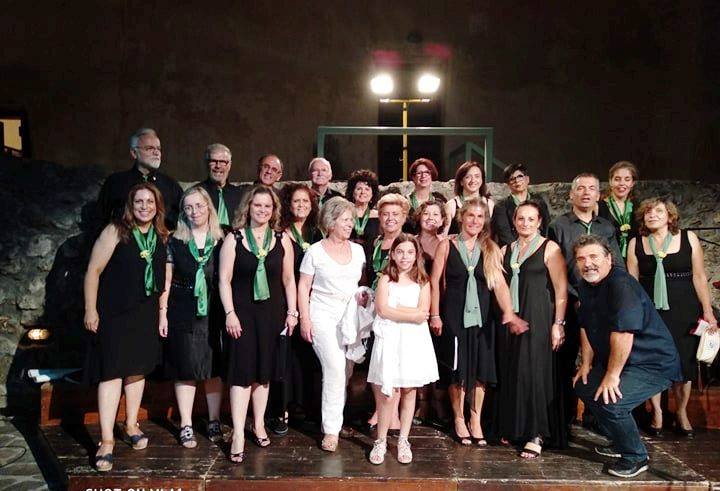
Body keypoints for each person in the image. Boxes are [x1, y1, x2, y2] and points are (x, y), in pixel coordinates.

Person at [572, 234, 682, 478]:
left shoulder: (621, 285)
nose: (588, 263)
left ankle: (635, 456)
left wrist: (612, 376)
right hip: (625, 362)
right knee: (585, 386)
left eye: (594, 256)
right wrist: (587, 363)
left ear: (609, 258)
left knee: (612, 402)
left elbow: (624, 333)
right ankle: (620, 440)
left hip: (652, 362)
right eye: (581, 258)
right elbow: (585, 325)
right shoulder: (586, 286)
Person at [83, 183, 169, 472]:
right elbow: (93, 271)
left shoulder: (160, 235)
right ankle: (106, 440)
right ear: (130, 205)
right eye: (139, 201)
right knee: (111, 373)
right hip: (115, 315)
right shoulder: (115, 231)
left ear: (157, 206)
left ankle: (131, 424)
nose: (144, 206)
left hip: (145, 314)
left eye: (150, 201)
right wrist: (91, 309)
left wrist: (161, 314)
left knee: (137, 370)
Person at [430, 198, 527, 446]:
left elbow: (500, 285)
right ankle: (459, 418)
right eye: (470, 215)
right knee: (458, 369)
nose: (475, 220)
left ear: (485, 221)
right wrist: (435, 314)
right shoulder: (447, 245)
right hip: (454, 315)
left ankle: (476, 419)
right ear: (461, 217)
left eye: (480, 217)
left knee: (481, 369)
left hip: (482, 317)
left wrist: (509, 313)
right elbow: (434, 282)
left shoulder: (490, 248)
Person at [218, 186, 298, 463]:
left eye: (267, 206)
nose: (262, 210)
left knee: (263, 373)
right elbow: (224, 280)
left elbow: (289, 280)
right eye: (257, 205)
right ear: (248, 208)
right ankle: (239, 433)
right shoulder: (234, 239)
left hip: (272, 315)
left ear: (273, 210)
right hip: (241, 316)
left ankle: (259, 424)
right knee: (241, 373)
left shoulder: (282, 239)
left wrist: (293, 312)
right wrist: (229, 313)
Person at [627, 198, 718, 437]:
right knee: (653, 361)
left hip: (684, 308)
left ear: (670, 216)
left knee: (684, 362)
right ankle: (657, 412)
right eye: (648, 212)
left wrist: (707, 311)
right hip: (650, 311)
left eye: (659, 211)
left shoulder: (688, 238)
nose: (653, 215)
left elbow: (699, 276)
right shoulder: (636, 243)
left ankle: (681, 412)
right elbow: (632, 283)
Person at [547, 173, 624, 428]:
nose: (586, 193)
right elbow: (554, 268)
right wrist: (576, 296)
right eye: (580, 188)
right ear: (572, 194)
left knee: (601, 359)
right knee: (565, 360)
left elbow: (616, 264)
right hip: (570, 302)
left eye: (592, 188)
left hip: (602, 304)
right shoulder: (559, 226)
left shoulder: (606, 227)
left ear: (598, 195)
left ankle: (597, 418)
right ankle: (564, 419)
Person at [494, 202, 568, 459]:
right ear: (514, 222)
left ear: (539, 222)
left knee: (534, 372)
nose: (525, 223)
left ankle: (536, 433)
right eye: (521, 219)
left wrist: (558, 324)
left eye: (530, 219)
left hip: (538, 317)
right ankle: (516, 427)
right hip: (512, 318)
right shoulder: (505, 250)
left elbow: (561, 290)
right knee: (514, 370)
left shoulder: (550, 248)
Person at [158, 186, 225, 448]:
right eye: (188, 207)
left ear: (209, 207)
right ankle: (186, 424)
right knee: (184, 366)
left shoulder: (222, 239)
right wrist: (163, 313)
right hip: (182, 307)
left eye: (198, 205)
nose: (194, 211)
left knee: (212, 367)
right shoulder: (175, 241)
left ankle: (214, 420)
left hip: (214, 308)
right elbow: (166, 280)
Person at [298, 197, 366, 452]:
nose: (350, 224)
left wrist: (363, 297)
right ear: (331, 221)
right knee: (335, 368)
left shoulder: (358, 251)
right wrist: (304, 319)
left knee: (346, 371)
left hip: (350, 316)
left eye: (352, 220)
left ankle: (337, 420)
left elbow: (360, 283)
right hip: (322, 314)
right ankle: (330, 431)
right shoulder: (315, 251)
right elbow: (303, 286)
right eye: (346, 220)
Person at [367, 234, 438, 464]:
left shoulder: (422, 281)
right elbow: (382, 310)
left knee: (409, 390)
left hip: (412, 340)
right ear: (393, 254)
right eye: (400, 252)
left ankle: (403, 439)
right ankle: (380, 440)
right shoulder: (386, 279)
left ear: (416, 255)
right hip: (390, 339)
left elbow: (423, 313)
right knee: (389, 392)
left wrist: (397, 308)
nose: (405, 257)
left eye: (409, 252)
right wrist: (410, 313)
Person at [266, 183, 322, 435]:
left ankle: (303, 407)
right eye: (296, 201)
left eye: (305, 202)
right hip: (284, 301)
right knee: (283, 356)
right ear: (288, 204)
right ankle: (278, 410)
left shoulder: (317, 234)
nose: (301, 205)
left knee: (306, 357)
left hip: (312, 302)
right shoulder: (279, 233)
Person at [364, 194, 410, 431]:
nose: (390, 218)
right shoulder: (375, 243)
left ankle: (392, 414)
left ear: (404, 217)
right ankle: (381, 408)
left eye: (395, 214)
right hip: (374, 310)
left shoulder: (408, 243)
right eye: (385, 214)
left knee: (396, 363)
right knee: (378, 361)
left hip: (396, 310)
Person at [95, 128, 183, 232]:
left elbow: (184, 220)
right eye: (149, 148)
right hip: (123, 238)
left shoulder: (171, 185)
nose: (156, 152)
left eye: (158, 149)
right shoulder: (115, 182)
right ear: (134, 153)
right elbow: (99, 219)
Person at [414, 200, 450, 425]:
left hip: (441, 304)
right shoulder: (411, 242)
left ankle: (439, 402)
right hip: (415, 304)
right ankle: (422, 402)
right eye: (426, 213)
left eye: (436, 214)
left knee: (438, 355)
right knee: (418, 354)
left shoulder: (447, 243)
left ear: (443, 220)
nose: (430, 218)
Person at [491, 163, 551, 247]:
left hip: (540, 246)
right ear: (508, 184)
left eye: (520, 176)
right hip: (514, 249)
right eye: (512, 179)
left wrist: (542, 247)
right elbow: (505, 235)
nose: (517, 181)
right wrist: (522, 249)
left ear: (527, 179)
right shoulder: (501, 207)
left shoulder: (540, 202)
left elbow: (546, 228)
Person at [197, 143, 244, 232]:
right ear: (206, 164)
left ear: (229, 165)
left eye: (223, 162)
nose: (218, 166)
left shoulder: (240, 195)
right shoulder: (197, 193)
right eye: (213, 161)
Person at [597, 161, 639, 259]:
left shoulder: (638, 207)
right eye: (617, 179)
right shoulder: (598, 207)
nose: (622, 183)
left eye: (627, 179)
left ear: (632, 183)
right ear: (610, 181)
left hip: (634, 258)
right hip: (606, 258)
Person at [444, 161, 495, 235]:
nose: (473, 180)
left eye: (477, 176)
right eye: (468, 177)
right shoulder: (451, 205)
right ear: (461, 182)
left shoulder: (490, 204)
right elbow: (443, 235)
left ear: (482, 180)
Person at [404, 158, 446, 234]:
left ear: (432, 175)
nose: (423, 176)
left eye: (427, 172)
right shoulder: (404, 201)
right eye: (419, 173)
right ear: (413, 177)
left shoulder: (440, 199)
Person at [346, 169, 380, 246]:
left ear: (372, 194)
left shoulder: (379, 216)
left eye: (367, 189)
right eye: (359, 189)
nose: (363, 192)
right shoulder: (345, 214)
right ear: (352, 192)